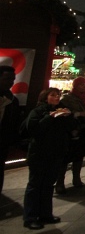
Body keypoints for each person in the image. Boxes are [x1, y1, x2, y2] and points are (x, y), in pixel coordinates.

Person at [23, 88, 77, 230]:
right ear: (45, 97)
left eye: (58, 95)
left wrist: (68, 116)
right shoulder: (38, 111)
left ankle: (46, 214)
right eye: (53, 95)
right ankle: (30, 217)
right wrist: (50, 117)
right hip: (39, 154)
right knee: (35, 185)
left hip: (56, 153)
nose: (56, 97)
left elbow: (71, 129)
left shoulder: (61, 111)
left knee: (48, 185)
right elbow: (33, 129)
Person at [55, 76, 85, 194]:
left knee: (79, 156)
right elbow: (61, 112)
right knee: (65, 158)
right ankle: (60, 182)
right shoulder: (67, 99)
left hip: (83, 129)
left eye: (84, 85)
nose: (83, 87)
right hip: (70, 130)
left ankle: (76, 179)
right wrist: (77, 114)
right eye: (81, 85)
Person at [0, 65, 22, 194]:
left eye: (13, 79)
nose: (10, 82)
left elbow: (13, 124)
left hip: (2, 144)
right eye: (7, 78)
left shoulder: (13, 101)